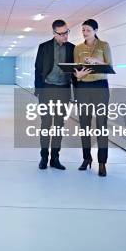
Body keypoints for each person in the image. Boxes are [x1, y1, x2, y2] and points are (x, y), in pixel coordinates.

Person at [34, 19, 76, 170]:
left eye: (67, 32)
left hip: (63, 90)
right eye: (62, 33)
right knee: (46, 124)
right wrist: (38, 90)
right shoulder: (44, 47)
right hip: (47, 89)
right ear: (54, 33)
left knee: (59, 124)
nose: (65, 36)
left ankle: (55, 158)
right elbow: (38, 69)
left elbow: (76, 72)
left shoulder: (72, 48)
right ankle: (44, 157)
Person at [73, 19, 112, 177]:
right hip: (83, 87)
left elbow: (109, 66)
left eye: (88, 30)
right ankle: (86, 158)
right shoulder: (78, 48)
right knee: (84, 124)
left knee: (101, 125)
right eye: (83, 30)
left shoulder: (104, 46)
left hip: (100, 87)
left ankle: (102, 163)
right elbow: (75, 69)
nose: (84, 33)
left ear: (95, 30)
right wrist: (78, 75)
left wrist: (97, 61)